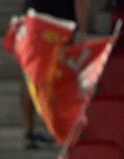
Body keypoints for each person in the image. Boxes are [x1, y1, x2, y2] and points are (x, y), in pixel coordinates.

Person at [20, 0, 89, 149]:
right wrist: (82, 31)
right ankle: (58, 129)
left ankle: (29, 131)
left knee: (31, 72)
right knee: (56, 74)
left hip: (33, 18)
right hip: (58, 22)